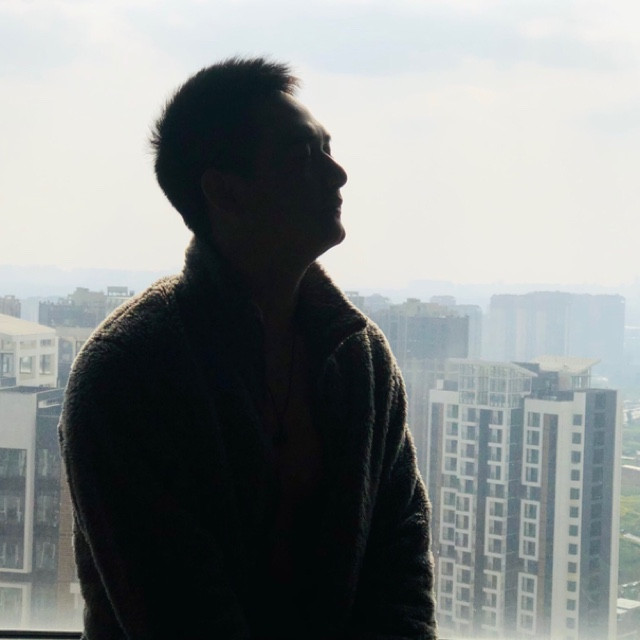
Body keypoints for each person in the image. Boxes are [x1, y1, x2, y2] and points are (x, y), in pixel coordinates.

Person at [59, 57, 437, 639]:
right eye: (303, 155)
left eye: (328, 149)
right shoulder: (128, 370)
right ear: (225, 191)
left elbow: (401, 563)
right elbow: (177, 616)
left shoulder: (361, 358)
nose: (338, 174)